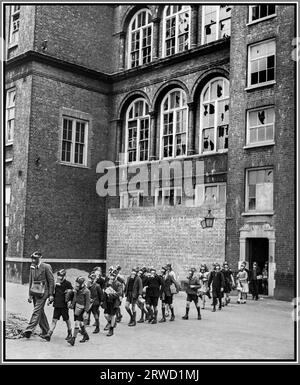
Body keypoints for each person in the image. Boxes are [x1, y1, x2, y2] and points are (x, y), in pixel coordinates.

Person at [23, 251, 55, 339]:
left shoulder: (46, 267)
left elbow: (51, 281)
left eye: (35, 258)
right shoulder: (32, 267)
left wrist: (51, 294)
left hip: (44, 292)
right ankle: (46, 330)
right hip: (35, 291)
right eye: (32, 258)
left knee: (36, 310)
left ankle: (29, 330)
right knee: (40, 311)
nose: (33, 260)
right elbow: (31, 281)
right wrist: (30, 295)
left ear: (40, 257)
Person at [41, 269, 73, 342]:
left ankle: (70, 333)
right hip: (57, 305)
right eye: (58, 276)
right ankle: (49, 334)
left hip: (64, 306)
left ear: (64, 276)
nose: (59, 277)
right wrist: (50, 300)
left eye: (60, 276)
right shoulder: (56, 284)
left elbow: (72, 293)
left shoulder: (68, 283)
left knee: (67, 320)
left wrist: (69, 300)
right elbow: (55, 294)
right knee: (54, 320)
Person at [67, 276, 91, 346]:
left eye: (78, 283)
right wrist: (71, 305)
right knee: (81, 324)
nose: (77, 284)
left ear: (82, 284)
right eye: (76, 283)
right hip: (76, 308)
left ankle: (73, 339)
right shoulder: (76, 290)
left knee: (77, 323)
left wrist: (86, 311)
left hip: (82, 309)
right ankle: (86, 335)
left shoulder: (87, 291)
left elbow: (88, 302)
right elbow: (74, 298)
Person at [101, 268, 123, 336]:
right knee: (106, 315)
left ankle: (111, 330)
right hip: (107, 301)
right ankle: (111, 323)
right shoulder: (107, 283)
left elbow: (119, 293)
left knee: (112, 316)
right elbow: (105, 291)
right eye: (111, 275)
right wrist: (102, 300)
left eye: (113, 275)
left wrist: (111, 295)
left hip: (114, 302)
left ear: (116, 276)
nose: (111, 277)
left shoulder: (119, 284)